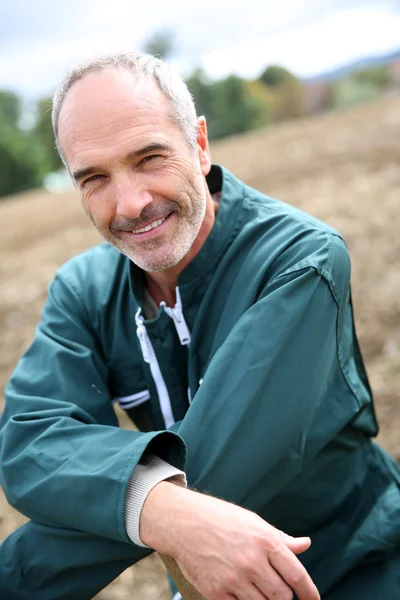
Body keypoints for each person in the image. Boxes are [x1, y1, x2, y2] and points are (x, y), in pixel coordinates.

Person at [0, 52, 399, 600]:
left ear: (200, 143)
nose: (130, 203)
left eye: (149, 157)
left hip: (355, 567)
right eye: (94, 178)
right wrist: (167, 511)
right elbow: (29, 444)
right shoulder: (84, 291)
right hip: (201, 583)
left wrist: (19, 577)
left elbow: (210, 467)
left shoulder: (300, 261)